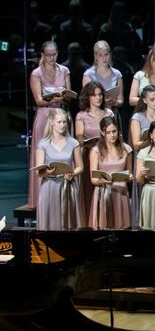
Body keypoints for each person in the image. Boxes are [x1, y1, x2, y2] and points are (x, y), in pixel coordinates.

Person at [28, 41, 72, 208]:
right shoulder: (36, 73)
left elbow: (69, 94)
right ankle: (40, 198)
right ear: (43, 55)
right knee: (44, 155)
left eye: (54, 54)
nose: (52, 58)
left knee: (63, 153)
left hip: (60, 114)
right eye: (49, 55)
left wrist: (62, 97)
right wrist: (55, 98)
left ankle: (63, 195)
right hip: (45, 116)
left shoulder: (64, 70)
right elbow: (39, 100)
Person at [35, 109, 83, 230]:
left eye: (64, 122)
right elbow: (38, 172)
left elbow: (80, 167)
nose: (62, 125)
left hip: (68, 186)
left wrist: (72, 173)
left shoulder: (73, 143)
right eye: (59, 122)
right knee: (50, 223)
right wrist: (48, 172)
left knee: (68, 223)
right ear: (51, 122)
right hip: (49, 186)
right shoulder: (43, 144)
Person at [75, 81, 114, 219]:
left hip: (107, 153)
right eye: (94, 95)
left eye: (100, 95)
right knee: (89, 188)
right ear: (88, 97)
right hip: (89, 152)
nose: (98, 98)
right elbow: (79, 136)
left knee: (107, 186)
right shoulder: (81, 115)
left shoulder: (108, 113)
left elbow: (113, 131)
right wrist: (85, 142)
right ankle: (89, 220)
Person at [89, 116, 132, 229]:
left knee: (121, 226)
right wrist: (103, 181)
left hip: (120, 192)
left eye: (114, 131)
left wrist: (129, 177)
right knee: (105, 226)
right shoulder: (96, 151)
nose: (112, 135)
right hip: (103, 192)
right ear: (103, 133)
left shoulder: (126, 149)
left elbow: (130, 174)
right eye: (108, 132)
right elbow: (93, 179)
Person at [81, 40, 124, 111]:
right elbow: (86, 99)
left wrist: (115, 102)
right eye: (100, 55)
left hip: (111, 113)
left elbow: (120, 100)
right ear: (95, 56)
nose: (104, 58)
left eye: (106, 54)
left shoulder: (117, 74)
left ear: (110, 55)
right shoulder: (88, 75)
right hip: (94, 113)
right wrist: (102, 101)